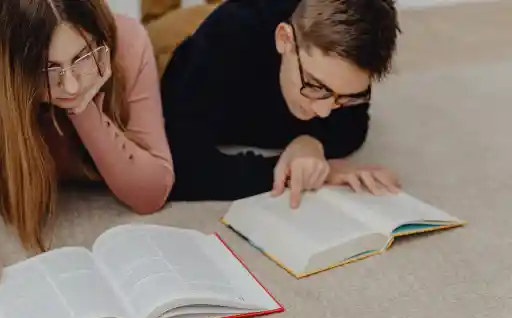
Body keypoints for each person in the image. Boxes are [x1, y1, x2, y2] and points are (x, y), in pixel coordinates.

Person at [0, 0, 174, 318]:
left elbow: (152, 192)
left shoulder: (127, 40)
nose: (70, 84)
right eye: (49, 69)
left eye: (80, 57)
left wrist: (82, 107)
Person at [156, 0, 402, 207]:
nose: (324, 112)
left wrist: (310, 142)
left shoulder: (350, 59)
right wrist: (298, 170)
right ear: (284, 39)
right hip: (181, 47)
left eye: (347, 97)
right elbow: (182, 169)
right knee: (159, 35)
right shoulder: (228, 36)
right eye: (316, 86)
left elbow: (351, 131)